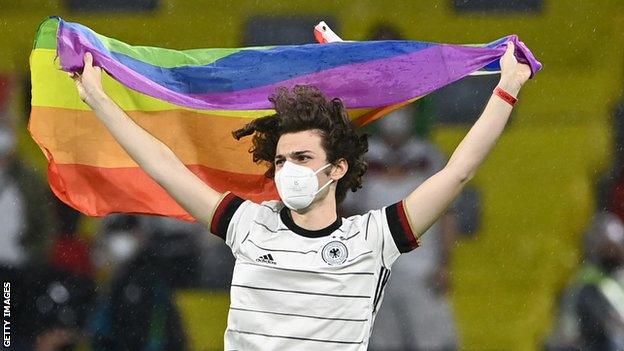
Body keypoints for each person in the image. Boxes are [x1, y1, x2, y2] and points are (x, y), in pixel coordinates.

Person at [69, 41, 531, 350]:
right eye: (282, 160)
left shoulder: (372, 238)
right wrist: (98, 100)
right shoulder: (249, 224)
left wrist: (506, 88)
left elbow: (458, 172)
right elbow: (164, 166)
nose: (290, 169)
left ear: (338, 168)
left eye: (304, 158)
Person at [343, 106, 459, 350]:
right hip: (376, 272)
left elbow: (447, 215)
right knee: (383, 344)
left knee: (432, 343)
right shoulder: (361, 160)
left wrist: (444, 265)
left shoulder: (430, 157)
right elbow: (347, 216)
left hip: (423, 272)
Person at [545, 212, 624, 351]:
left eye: (614, 248)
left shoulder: (618, 278)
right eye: (606, 249)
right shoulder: (587, 283)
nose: (612, 253)